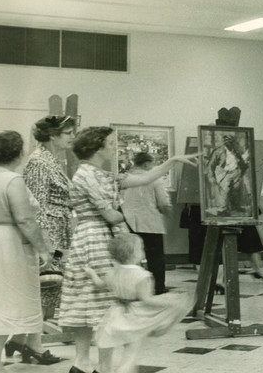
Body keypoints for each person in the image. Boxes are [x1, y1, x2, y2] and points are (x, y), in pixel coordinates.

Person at [58, 126, 198, 373]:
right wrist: (124, 227)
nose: (113, 147)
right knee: (99, 301)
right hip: (96, 236)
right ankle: (95, 365)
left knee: (91, 299)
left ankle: (86, 364)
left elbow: (144, 177)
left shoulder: (99, 173)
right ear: (97, 147)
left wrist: (173, 160)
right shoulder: (87, 175)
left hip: (94, 236)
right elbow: (110, 215)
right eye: (110, 143)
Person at [5, 115, 76, 365]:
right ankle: (33, 344)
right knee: (45, 286)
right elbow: (37, 207)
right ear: (53, 135)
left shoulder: (51, 159)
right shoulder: (38, 162)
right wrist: (48, 248)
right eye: (68, 133)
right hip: (49, 234)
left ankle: (22, 340)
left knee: (48, 288)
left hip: (58, 230)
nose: (72, 137)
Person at [84, 233, 193, 373]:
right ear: (136, 254)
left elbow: (99, 284)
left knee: (105, 349)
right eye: (141, 248)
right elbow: (147, 300)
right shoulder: (143, 276)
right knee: (130, 355)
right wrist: (170, 300)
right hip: (134, 317)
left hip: (114, 315)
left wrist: (92, 274)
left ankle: (103, 369)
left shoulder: (111, 272)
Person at [0, 131, 52, 373]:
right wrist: (43, 249)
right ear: (17, 153)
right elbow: (25, 220)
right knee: (7, 303)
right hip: (9, 244)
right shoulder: (12, 180)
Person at [121, 152, 172, 295]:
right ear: (146, 164)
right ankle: (157, 288)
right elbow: (163, 201)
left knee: (131, 257)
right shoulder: (154, 178)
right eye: (152, 163)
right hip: (150, 222)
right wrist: (167, 211)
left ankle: (131, 288)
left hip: (128, 221)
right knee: (155, 257)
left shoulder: (125, 178)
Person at [206, 134, 248, 217]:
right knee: (224, 191)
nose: (228, 143)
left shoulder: (235, 151)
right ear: (224, 142)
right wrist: (211, 176)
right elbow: (211, 165)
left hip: (235, 172)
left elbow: (242, 162)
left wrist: (242, 171)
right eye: (226, 141)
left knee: (235, 190)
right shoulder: (218, 151)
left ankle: (235, 207)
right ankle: (222, 210)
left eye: (230, 141)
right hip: (224, 173)